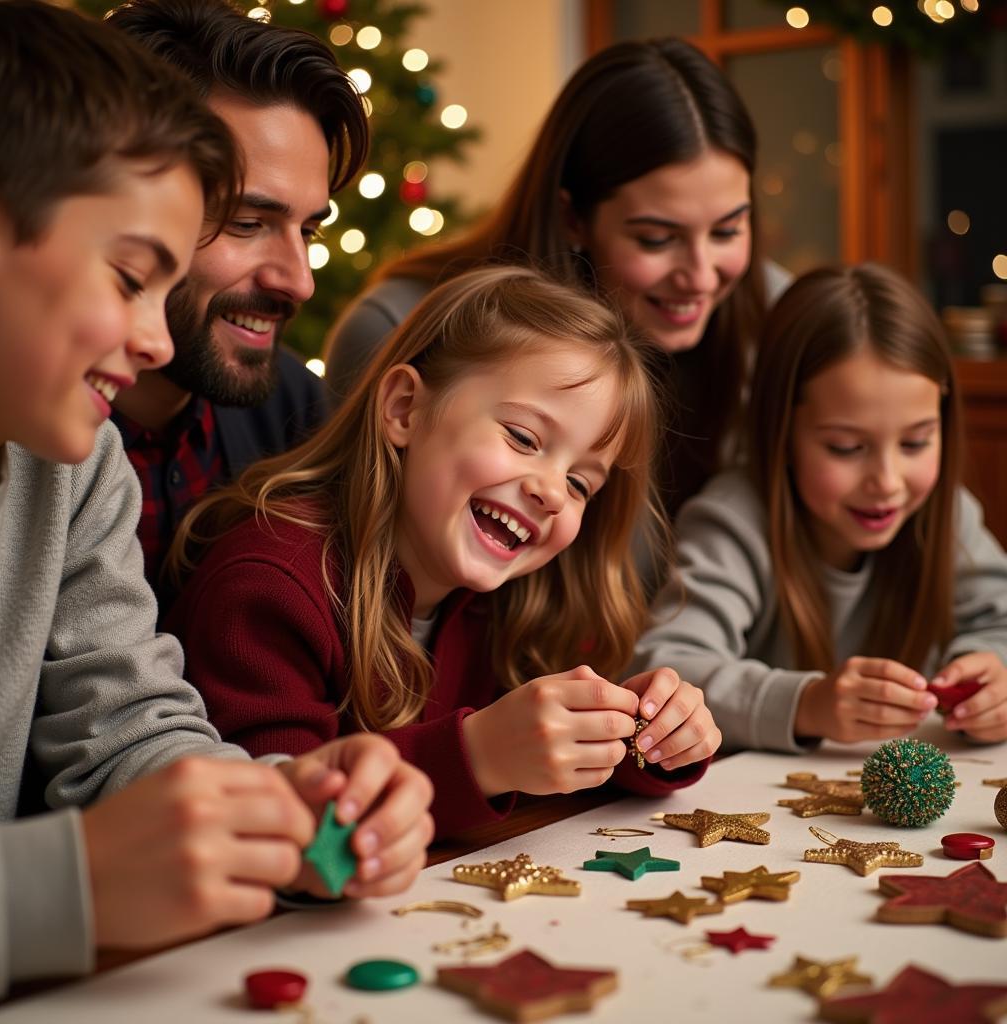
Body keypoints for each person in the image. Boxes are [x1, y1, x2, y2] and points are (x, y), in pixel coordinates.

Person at [0, 1, 431, 1001]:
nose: (299, 275)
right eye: (134, 273)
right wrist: (70, 883)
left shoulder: (76, 459)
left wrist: (282, 804)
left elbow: (129, 718)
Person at [165, 266, 722, 841]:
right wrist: (478, 756)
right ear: (405, 409)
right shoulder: (268, 587)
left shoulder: (519, 606)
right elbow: (286, 820)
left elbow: (557, 760)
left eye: (581, 484)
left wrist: (645, 737)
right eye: (523, 438)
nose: (553, 493)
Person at [324, 38, 787, 513]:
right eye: (656, 239)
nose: (701, 277)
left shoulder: (779, 320)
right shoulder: (399, 328)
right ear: (572, 219)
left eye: (728, 230)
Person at [628, 264, 1007, 753]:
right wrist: (807, 703)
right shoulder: (736, 518)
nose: (887, 482)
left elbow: (1000, 621)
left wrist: (993, 670)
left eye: (915, 442)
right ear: (783, 433)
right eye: (846, 448)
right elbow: (665, 669)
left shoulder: (948, 513)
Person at [105, 0, 370, 601]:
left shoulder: (296, 415)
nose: (299, 281)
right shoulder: (18, 434)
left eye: (307, 231)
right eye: (249, 223)